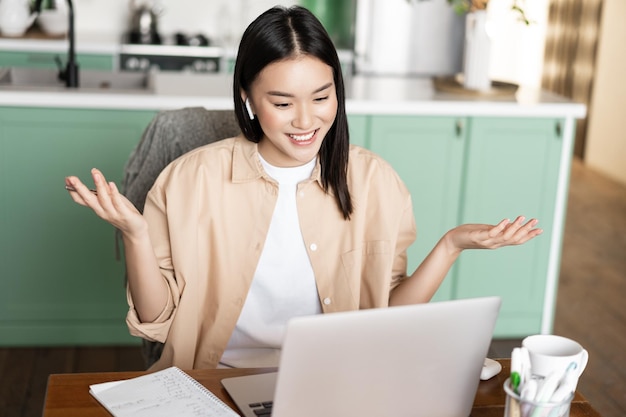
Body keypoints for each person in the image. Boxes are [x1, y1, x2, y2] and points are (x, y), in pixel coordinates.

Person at [65, 5, 542, 371]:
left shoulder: (376, 183)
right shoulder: (187, 180)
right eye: (282, 102)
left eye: (321, 96)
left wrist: (451, 245)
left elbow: (387, 318)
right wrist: (136, 235)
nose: (307, 121)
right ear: (248, 99)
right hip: (213, 379)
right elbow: (158, 319)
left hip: (331, 379)